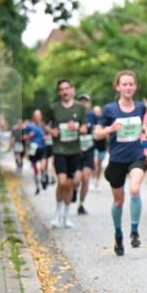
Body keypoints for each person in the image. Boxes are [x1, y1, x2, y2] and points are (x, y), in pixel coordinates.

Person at [95, 70, 147, 256]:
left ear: (135, 87)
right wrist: (110, 129)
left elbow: (145, 126)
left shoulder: (141, 107)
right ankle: (118, 233)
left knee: (135, 189)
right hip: (117, 160)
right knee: (118, 202)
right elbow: (97, 133)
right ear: (118, 87)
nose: (128, 87)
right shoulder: (110, 110)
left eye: (131, 84)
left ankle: (134, 231)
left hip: (136, 156)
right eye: (124, 84)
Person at [46, 79, 88, 229]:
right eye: (61, 89)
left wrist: (77, 127)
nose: (64, 91)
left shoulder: (80, 108)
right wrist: (52, 131)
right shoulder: (53, 108)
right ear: (59, 92)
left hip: (74, 150)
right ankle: (57, 214)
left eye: (67, 88)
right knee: (62, 182)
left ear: (72, 90)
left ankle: (66, 216)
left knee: (70, 184)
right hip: (59, 150)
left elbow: (84, 128)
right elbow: (45, 124)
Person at [76, 94, 96, 214]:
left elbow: (99, 128)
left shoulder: (93, 116)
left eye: (86, 101)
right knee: (75, 179)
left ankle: (81, 204)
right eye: (81, 101)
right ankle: (73, 191)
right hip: (75, 150)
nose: (83, 103)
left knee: (86, 178)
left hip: (89, 149)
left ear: (89, 103)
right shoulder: (72, 115)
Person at [23, 110, 49, 195]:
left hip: (42, 147)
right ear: (33, 117)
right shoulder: (29, 126)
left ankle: (44, 178)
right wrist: (29, 136)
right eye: (36, 115)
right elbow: (24, 137)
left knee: (43, 166)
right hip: (33, 148)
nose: (37, 117)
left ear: (41, 116)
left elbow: (48, 134)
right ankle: (37, 186)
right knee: (35, 169)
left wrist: (46, 137)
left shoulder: (43, 125)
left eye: (39, 115)